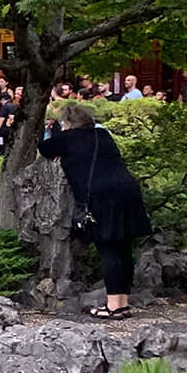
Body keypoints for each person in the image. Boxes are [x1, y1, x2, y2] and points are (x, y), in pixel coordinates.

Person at [39, 103, 151, 319]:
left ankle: (113, 307)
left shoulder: (68, 138)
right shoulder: (103, 135)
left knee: (108, 248)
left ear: (68, 124)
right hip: (127, 191)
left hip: (102, 196)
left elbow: (45, 148)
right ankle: (122, 303)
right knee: (124, 249)